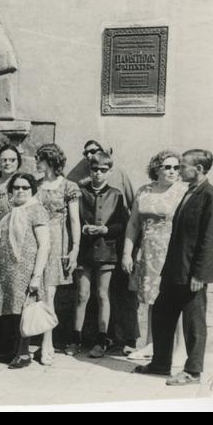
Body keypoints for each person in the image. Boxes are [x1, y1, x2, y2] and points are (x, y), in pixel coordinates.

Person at [135, 149, 213, 386]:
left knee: (193, 322)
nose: (179, 170)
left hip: (192, 273)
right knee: (162, 313)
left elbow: (209, 237)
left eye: (183, 166)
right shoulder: (190, 192)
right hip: (174, 269)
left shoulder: (209, 195)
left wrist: (200, 274)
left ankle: (193, 372)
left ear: (200, 169)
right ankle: (161, 363)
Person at [122, 151, 188, 361]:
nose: (172, 171)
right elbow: (133, 223)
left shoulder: (183, 191)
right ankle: (151, 344)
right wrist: (127, 252)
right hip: (148, 252)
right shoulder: (144, 191)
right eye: (167, 167)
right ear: (156, 169)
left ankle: (179, 349)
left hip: (172, 251)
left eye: (176, 168)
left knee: (174, 299)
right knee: (151, 299)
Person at [66, 151, 128, 358]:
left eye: (103, 170)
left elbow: (122, 224)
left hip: (106, 251)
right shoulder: (80, 192)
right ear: (89, 170)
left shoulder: (116, 195)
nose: (98, 174)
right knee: (82, 295)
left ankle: (102, 341)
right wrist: (84, 229)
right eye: (95, 169)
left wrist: (106, 230)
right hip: (84, 251)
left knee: (102, 295)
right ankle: (75, 339)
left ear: (109, 171)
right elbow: (71, 220)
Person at [0, 173, 51, 369]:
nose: (20, 191)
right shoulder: (10, 213)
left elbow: (44, 245)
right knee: (13, 311)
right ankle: (14, 350)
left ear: (32, 190)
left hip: (27, 270)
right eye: (16, 187)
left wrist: (36, 276)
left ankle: (24, 353)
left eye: (25, 187)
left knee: (25, 311)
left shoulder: (37, 210)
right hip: (9, 270)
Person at [34, 143, 81, 366]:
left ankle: (47, 343)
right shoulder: (36, 185)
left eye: (40, 159)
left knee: (49, 294)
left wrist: (75, 248)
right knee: (37, 293)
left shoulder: (68, 186)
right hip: (35, 240)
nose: (36, 163)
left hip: (56, 242)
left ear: (50, 160)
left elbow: (74, 220)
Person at [67, 140, 135, 210]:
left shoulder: (119, 172)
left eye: (93, 151)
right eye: (86, 153)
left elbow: (132, 203)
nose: (88, 155)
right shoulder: (84, 179)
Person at [0, 144, 22, 220]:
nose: (7, 163)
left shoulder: (25, 184)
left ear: (18, 161)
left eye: (12, 160)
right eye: (4, 160)